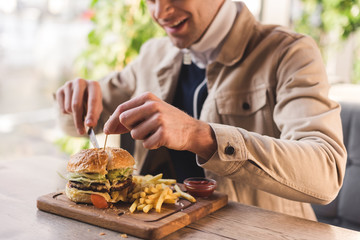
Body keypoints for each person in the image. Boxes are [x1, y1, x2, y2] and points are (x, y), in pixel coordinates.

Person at [56, 0, 347, 220]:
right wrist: (75, 100)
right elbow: (76, 125)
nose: (160, 12)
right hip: (165, 227)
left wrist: (200, 135)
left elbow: (326, 173)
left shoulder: (290, 53)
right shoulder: (153, 54)